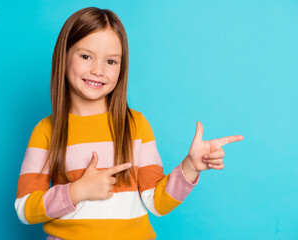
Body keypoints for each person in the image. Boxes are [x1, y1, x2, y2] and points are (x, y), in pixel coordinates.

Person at [14, 7, 244, 240]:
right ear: (64, 57)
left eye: (111, 61)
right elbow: (25, 208)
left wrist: (190, 167)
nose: (98, 70)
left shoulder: (136, 126)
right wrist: (76, 191)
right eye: (86, 56)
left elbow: (157, 203)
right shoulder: (47, 131)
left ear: (121, 68)